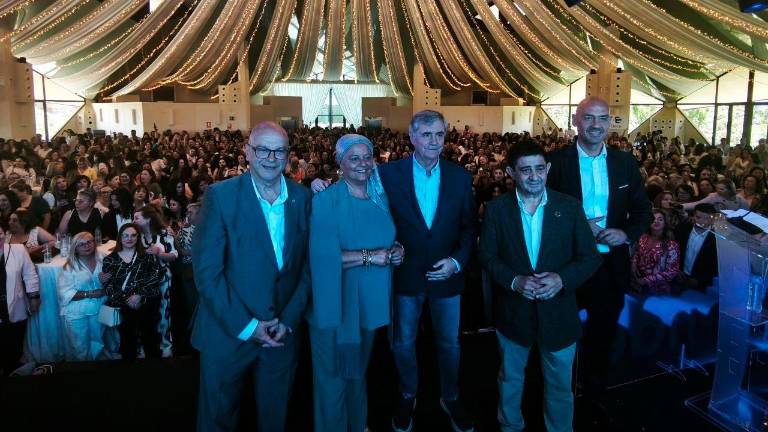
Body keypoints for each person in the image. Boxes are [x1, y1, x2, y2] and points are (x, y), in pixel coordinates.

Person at [314, 110, 477, 432]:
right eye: (426, 135)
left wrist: (457, 261)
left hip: (447, 276)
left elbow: (469, 228)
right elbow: (354, 187)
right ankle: (407, 395)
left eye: (439, 135)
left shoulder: (461, 177)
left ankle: (451, 397)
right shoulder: (387, 174)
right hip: (405, 276)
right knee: (402, 343)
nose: (434, 141)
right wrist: (321, 184)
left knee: (450, 344)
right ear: (413, 138)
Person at [193, 122, 311, 432]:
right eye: (262, 149)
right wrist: (248, 326)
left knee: (275, 418)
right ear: (247, 152)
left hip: (281, 334)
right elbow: (208, 273)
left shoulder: (303, 198)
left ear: (288, 156)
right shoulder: (221, 196)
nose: (271, 158)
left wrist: (287, 320)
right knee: (218, 418)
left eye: (279, 150)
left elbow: (307, 269)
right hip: (227, 331)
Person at [479, 139, 601, 432]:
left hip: (559, 315)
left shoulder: (570, 208)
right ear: (511, 172)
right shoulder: (496, 210)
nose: (534, 176)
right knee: (510, 379)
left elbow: (590, 258)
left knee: (560, 386)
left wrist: (561, 279)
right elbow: (487, 256)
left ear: (547, 169)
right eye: (525, 170)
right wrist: (514, 280)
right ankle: (510, 426)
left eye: (539, 169)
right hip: (513, 314)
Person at [546, 96, 652, 403]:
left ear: (609, 123)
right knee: (559, 332)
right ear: (575, 122)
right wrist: (579, 225)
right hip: (566, 264)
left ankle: (593, 393)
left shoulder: (624, 162)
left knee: (602, 334)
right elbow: (540, 208)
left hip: (610, 266)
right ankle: (557, 390)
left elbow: (643, 210)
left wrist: (626, 233)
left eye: (602, 118)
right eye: (589, 118)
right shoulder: (556, 161)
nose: (596, 125)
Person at [309, 134, 404, 432]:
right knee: (333, 378)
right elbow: (322, 258)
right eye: (354, 158)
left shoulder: (379, 196)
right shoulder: (327, 199)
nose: (362, 164)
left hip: (370, 304)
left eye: (367, 157)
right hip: (337, 304)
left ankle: (358, 424)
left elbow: (386, 240)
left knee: (357, 373)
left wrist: (396, 250)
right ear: (340, 163)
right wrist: (369, 257)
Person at [102, 223, 164, 360]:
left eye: (133, 235)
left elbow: (157, 276)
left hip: (147, 303)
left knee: (150, 339)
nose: (129, 239)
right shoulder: (110, 260)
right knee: (127, 341)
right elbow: (109, 286)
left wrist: (139, 295)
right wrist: (127, 299)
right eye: (125, 235)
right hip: (123, 307)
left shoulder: (147, 256)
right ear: (120, 237)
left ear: (138, 237)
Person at [134, 205, 177, 358]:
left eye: (137, 217)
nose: (134, 220)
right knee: (143, 315)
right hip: (142, 282)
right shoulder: (135, 236)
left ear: (148, 219)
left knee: (164, 313)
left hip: (163, 279)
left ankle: (166, 344)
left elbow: (174, 255)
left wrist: (160, 254)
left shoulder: (164, 234)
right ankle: (143, 347)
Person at [56, 232, 106, 361]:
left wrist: (106, 282)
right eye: (81, 244)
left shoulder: (103, 259)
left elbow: (115, 281)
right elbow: (64, 293)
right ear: (75, 248)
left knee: (98, 343)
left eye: (89, 242)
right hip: (76, 312)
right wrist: (90, 293)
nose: (87, 246)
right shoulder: (69, 266)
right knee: (80, 348)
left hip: (99, 309)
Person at [0, 222, 40, 376]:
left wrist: (34, 297)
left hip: (14, 305)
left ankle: (13, 372)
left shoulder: (17, 250)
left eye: (1, 233)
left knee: (14, 343)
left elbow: (30, 274)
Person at [630, 209, 681, 296]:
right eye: (653, 219)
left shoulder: (671, 245)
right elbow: (637, 253)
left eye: (660, 219)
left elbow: (672, 271)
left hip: (657, 288)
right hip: (636, 282)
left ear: (665, 223)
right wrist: (634, 264)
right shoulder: (643, 237)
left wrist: (646, 280)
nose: (656, 221)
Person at [675, 203, 718, 291]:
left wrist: (699, 279)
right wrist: (676, 270)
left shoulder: (716, 238)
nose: (702, 221)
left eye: (707, 218)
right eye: (698, 217)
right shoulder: (682, 229)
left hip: (700, 283)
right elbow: (674, 251)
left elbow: (714, 264)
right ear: (693, 216)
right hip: (678, 275)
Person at [683, 178, 749, 211]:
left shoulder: (742, 201)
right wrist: (681, 206)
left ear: (730, 190)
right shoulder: (713, 196)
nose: (718, 191)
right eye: (717, 188)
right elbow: (697, 204)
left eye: (721, 189)